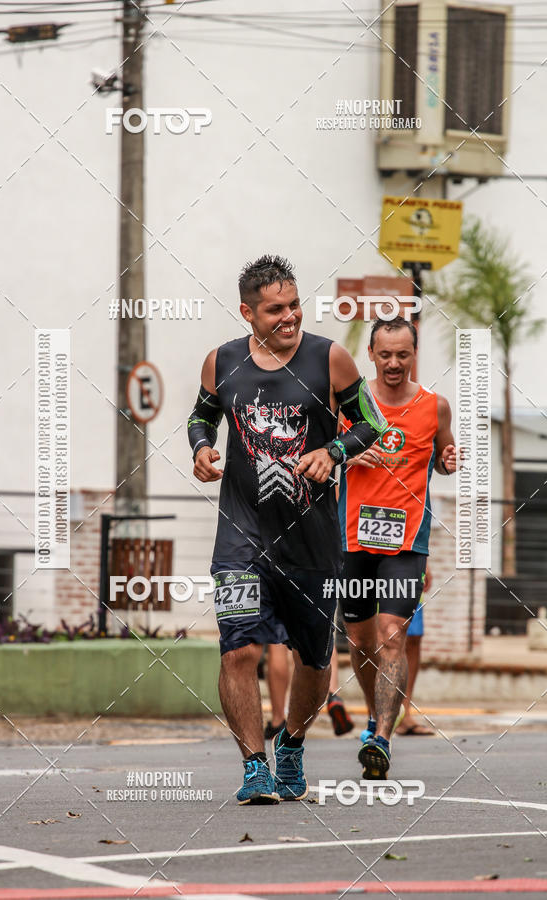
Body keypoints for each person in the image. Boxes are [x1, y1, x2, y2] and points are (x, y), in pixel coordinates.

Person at [188, 255, 386, 804]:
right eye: (275, 309)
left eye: (295, 304)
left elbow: (371, 422)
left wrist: (333, 451)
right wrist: (202, 447)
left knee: (314, 660)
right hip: (242, 536)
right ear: (248, 312)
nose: (290, 316)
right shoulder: (222, 361)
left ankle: (292, 744)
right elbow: (201, 416)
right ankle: (255, 766)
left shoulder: (330, 358)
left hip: (311, 541)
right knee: (237, 650)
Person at [338, 315, 457, 780]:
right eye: (385, 354)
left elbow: (443, 458)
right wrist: (347, 451)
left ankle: (382, 739)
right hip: (353, 539)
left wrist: (448, 460)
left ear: (414, 355)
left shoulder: (435, 406)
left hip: (407, 542)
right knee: (360, 640)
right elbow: (324, 452)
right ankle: (374, 715)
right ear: (371, 354)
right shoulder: (350, 403)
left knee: (392, 634)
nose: (393, 363)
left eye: (402, 354)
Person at [395, 564, 434, 736]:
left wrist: (426, 562)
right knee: (381, 639)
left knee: (413, 637)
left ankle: (404, 714)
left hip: (410, 559)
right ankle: (375, 717)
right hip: (374, 557)